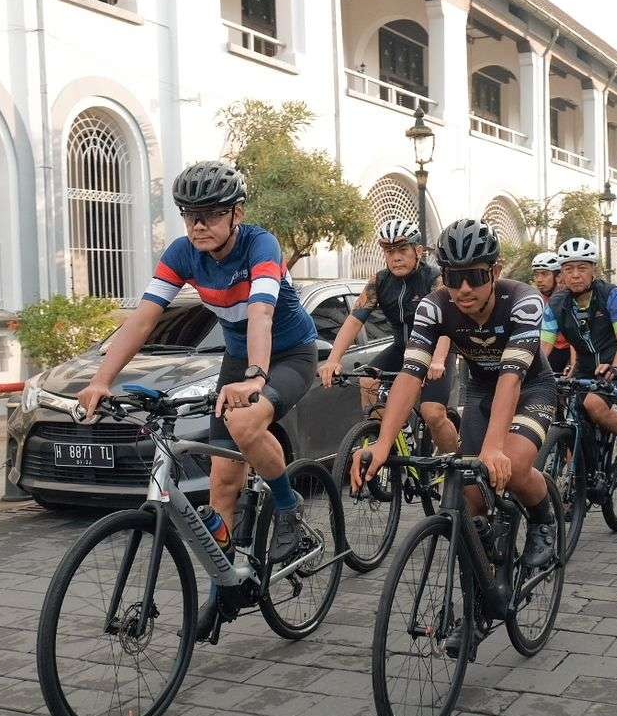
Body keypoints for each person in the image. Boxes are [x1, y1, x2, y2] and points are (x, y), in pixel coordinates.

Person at [77, 160, 317, 562]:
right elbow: (142, 322)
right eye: (189, 215)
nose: (197, 225)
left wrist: (256, 378)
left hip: (290, 354)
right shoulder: (183, 254)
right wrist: (101, 380)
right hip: (238, 360)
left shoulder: (261, 246)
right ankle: (222, 592)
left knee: (244, 422)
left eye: (209, 215)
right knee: (221, 481)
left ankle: (288, 506)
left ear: (237, 213)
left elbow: (261, 313)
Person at [354, 220, 560, 569]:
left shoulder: (523, 300)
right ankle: (484, 572)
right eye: (453, 278)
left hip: (530, 388)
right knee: (470, 491)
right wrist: (384, 442)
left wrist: (494, 448)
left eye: (476, 277)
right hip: (481, 389)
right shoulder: (434, 307)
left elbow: (511, 378)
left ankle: (543, 519)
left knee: (515, 464)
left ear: (495, 272)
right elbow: (410, 374)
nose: (464, 289)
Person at [318, 218, 457, 454]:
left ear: (419, 251)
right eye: (390, 251)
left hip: (435, 351)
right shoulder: (379, 281)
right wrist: (333, 359)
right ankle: (393, 441)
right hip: (401, 349)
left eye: (402, 250)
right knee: (367, 381)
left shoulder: (434, 280)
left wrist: (437, 360)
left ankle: (454, 468)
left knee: (432, 413)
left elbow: (447, 325)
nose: (396, 257)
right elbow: (353, 321)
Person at [539, 238, 617, 474]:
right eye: (568, 269)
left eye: (582, 268)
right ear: (561, 275)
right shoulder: (556, 305)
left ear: (594, 270)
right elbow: (543, 347)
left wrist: (615, 368)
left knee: (594, 404)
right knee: (570, 413)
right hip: (585, 367)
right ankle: (577, 478)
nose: (575, 275)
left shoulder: (611, 295)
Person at [531, 251, 572, 377]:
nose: (539, 279)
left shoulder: (570, 296)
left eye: (544, 274)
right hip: (550, 348)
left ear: (558, 276)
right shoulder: (535, 300)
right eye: (536, 275)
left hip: (574, 350)